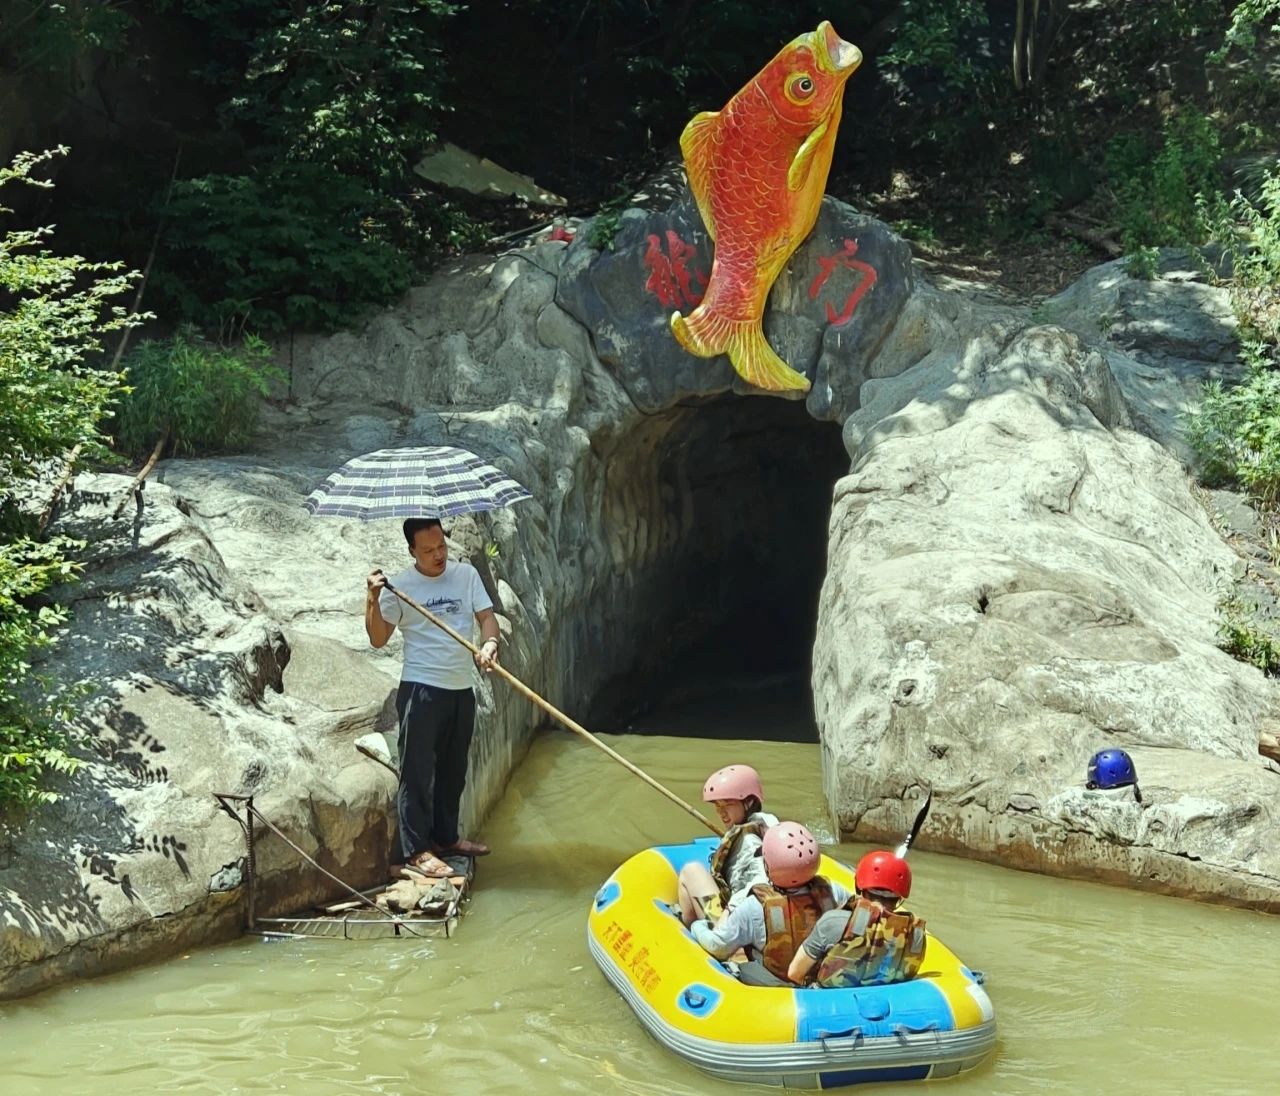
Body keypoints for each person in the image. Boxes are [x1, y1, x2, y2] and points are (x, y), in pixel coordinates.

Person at [366, 517, 501, 879]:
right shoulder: (402, 587)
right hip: (421, 688)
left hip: (461, 688)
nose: (438, 554)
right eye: (427, 550)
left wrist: (489, 644)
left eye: (440, 545)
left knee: (454, 770)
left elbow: (487, 618)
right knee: (417, 771)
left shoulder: (465, 576)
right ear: (412, 551)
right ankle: (417, 851)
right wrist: (373, 598)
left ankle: (446, 838)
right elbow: (378, 639)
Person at [690, 821, 849, 986]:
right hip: (821, 980)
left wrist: (698, 927)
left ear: (768, 866)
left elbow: (718, 947)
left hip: (775, 985)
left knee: (743, 967)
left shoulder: (754, 907)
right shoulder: (833, 892)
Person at [786, 849, 926, 989]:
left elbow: (795, 973)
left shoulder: (833, 922)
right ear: (900, 897)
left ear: (860, 888)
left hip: (829, 1004)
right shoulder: (916, 936)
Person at [677, 764, 779, 926]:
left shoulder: (747, 843)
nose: (721, 813)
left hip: (736, 926)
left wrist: (725, 922)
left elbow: (751, 887)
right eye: (717, 806)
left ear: (749, 802)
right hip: (768, 915)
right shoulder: (770, 823)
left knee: (691, 872)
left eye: (727, 805)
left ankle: (688, 929)